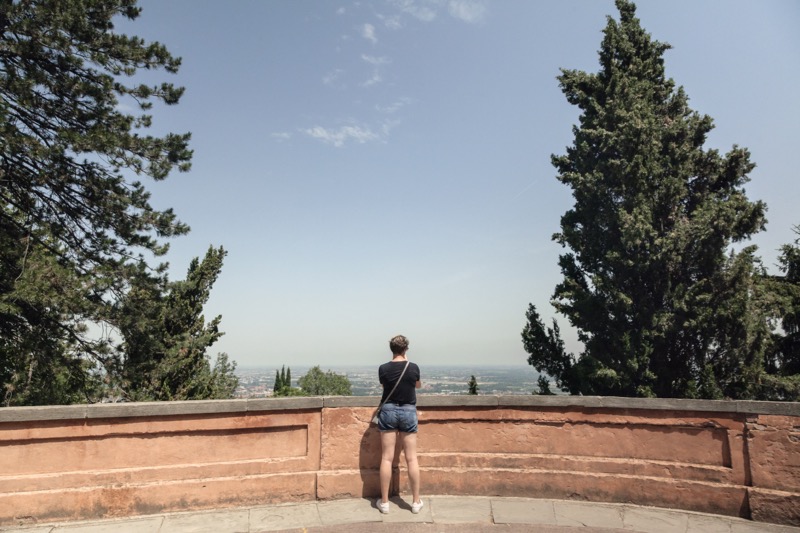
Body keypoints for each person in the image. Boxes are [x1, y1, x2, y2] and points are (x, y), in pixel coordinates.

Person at [376, 334, 423, 514]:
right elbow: (417, 386)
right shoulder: (413, 367)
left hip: (388, 410)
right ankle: (416, 502)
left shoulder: (383, 368)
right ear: (406, 349)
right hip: (408, 410)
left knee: (386, 458)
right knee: (411, 458)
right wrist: (407, 361)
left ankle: (385, 503)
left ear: (391, 349)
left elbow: (385, 387)